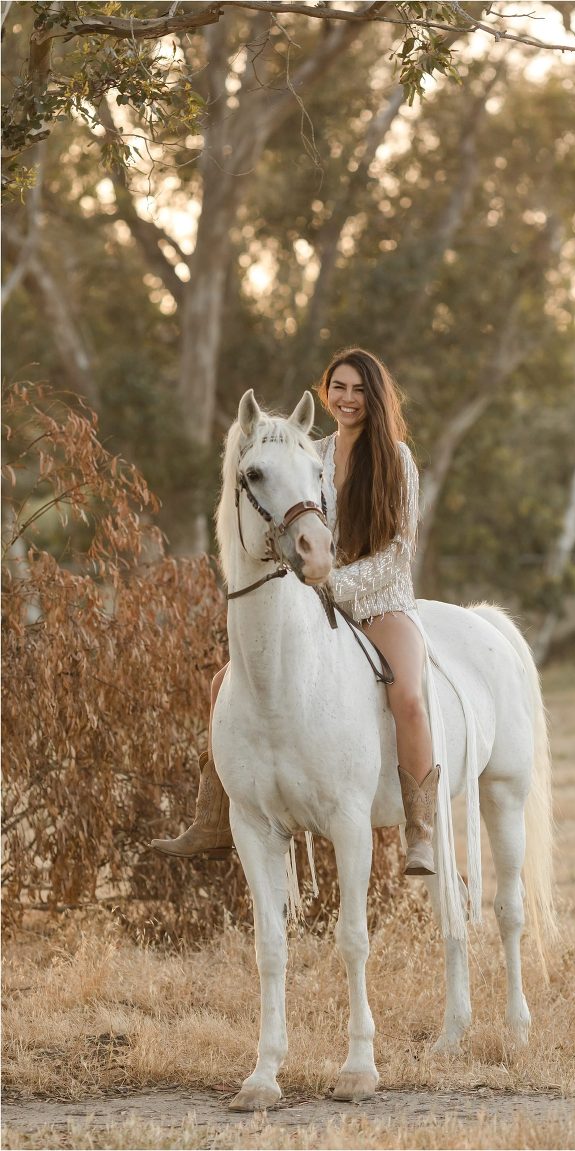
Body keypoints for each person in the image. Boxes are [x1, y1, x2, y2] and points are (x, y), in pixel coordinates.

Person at [151, 347, 439, 875]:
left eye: (358, 390)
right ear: (326, 392)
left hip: (380, 602)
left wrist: (337, 581)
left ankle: (421, 828)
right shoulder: (313, 454)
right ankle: (213, 819)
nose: (347, 399)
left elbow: (399, 551)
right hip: (313, 598)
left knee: (410, 695)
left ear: (375, 398)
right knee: (224, 682)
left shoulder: (397, 459)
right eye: (339, 388)